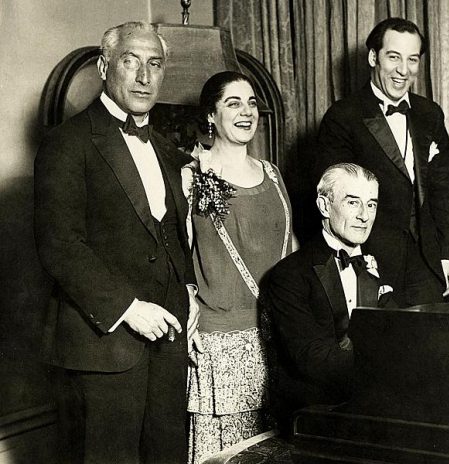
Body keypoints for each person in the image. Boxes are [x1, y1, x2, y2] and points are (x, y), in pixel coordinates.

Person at [34, 21, 199, 463]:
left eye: (155, 64)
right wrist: (128, 308)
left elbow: (168, 234)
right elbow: (59, 244)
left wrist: (186, 287)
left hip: (167, 344)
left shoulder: (168, 150)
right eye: (131, 62)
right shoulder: (66, 144)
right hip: (101, 347)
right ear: (105, 67)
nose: (145, 76)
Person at [183, 71, 295, 464]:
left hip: (277, 337)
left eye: (251, 103)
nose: (246, 112)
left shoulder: (272, 174)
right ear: (210, 115)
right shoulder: (191, 175)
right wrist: (188, 305)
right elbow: (178, 254)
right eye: (233, 103)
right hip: (223, 343)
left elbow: (288, 250)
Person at [315, 18, 449, 307]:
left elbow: (444, 191)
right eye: (394, 57)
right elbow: (335, 198)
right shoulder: (343, 117)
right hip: (369, 262)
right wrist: (356, 261)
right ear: (373, 57)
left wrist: (446, 254)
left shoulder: (431, 114)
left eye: (412, 59)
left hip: (427, 263)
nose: (403, 70)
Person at [266, 163, 394, 431]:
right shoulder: (289, 275)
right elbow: (313, 358)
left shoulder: (380, 263)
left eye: (371, 204)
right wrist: (390, 372)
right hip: (318, 412)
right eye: (352, 202)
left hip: (374, 404)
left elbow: (398, 332)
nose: (364, 216)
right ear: (324, 207)